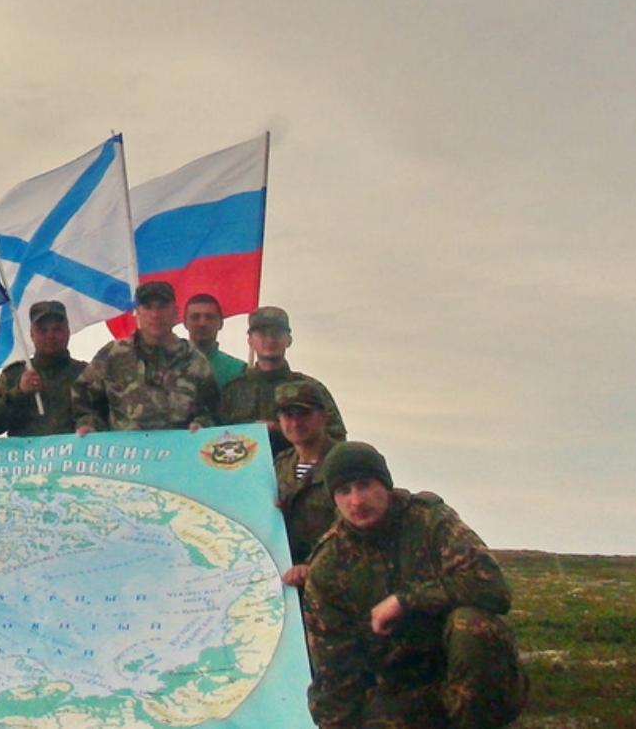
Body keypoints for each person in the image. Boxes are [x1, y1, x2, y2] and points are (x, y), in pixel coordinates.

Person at [303, 442, 527, 729]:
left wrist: (405, 600)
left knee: (470, 626)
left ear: (385, 485)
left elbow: (491, 587)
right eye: (344, 491)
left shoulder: (430, 521)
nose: (356, 501)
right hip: (401, 688)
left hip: (462, 672)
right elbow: (333, 667)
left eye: (364, 485)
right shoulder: (328, 565)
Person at [71, 281, 217, 433]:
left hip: (178, 451)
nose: (155, 315)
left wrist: (202, 425)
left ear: (176, 312)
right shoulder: (113, 355)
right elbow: (83, 398)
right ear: (138, 313)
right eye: (147, 308)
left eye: (162, 307)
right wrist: (88, 424)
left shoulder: (194, 360)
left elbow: (211, 409)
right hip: (126, 452)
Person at [218, 306, 346, 455]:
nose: (270, 339)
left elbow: (337, 441)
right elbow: (213, 439)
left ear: (289, 340)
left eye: (277, 333)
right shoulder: (232, 391)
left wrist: (284, 430)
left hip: (296, 475)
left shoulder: (311, 390)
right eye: (262, 334)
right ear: (250, 341)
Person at [0, 300, 87, 436]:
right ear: (32, 334)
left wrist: (91, 425)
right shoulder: (14, 375)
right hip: (26, 456)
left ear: (68, 332)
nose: (50, 336)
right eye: (43, 330)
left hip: (74, 456)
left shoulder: (86, 374)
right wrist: (18, 392)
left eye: (57, 329)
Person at [272, 380, 338, 588]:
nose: (295, 423)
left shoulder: (342, 463)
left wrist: (312, 566)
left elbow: (351, 528)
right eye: (288, 415)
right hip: (285, 580)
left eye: (303, 414)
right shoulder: (279, 465)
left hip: (332, 579)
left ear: (323, 417)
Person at [183, 292, 248, 388]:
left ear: (221, 323)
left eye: (209, 317)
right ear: (185, 323)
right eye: (195, 317)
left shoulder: (238, 370)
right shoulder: (168, 366)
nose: (202, 323)